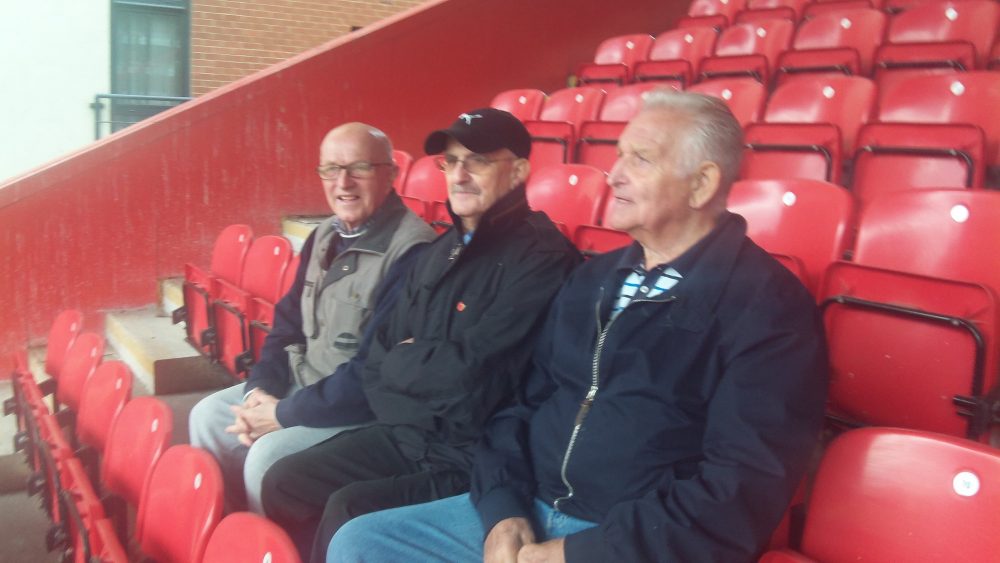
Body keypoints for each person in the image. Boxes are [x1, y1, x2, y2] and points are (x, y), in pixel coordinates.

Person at [326, 90, 829, 562]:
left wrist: (579, 552)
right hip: (527, 511)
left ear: (701, 184)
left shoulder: (768, 308)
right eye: (619, 155)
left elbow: (737, 491)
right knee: (361, 543)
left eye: (641, 159)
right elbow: (521, 406)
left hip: (628, 541)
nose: (613, 175)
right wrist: (503, 509)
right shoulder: (594, 280)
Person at [260, 108, 582, 563]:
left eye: (478, 161)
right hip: (407, 433)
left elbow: (475, 382)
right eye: (450, 162)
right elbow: (377, 362)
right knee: (285, 480)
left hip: (472, 454)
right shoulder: (439, 251)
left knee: (347, 509)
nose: (460, 174)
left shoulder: (544, 258)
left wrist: (409, 363)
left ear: (520, 170)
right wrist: (420, 366)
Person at [188, 122, 436, 513]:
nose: (343, 182)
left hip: (356, 412)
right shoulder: (324, 235)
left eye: (359, 168)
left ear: (391, 174)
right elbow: (286, 325)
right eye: (330, 169)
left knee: (268, 457)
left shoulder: (412, 252)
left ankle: (271, 549)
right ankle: (231, 538)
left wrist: (282, 414)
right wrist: (260, 392)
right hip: (301, 389)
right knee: (206, 417)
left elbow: (373, 375)